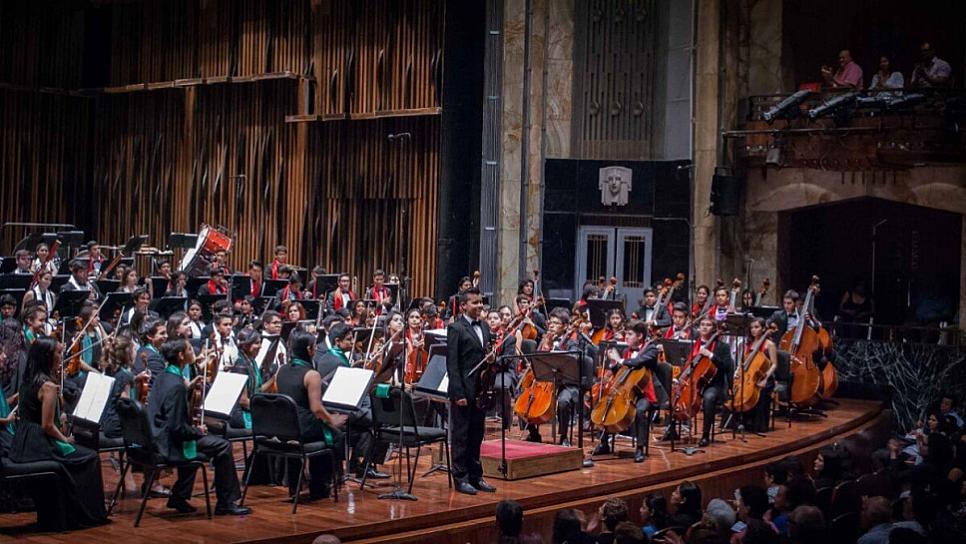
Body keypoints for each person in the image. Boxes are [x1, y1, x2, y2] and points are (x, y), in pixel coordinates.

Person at [10, 337, 107, 530]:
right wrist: (66, 439)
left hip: (23, 441)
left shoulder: (28, 380)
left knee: (83, 455)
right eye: (58, 353)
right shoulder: (48, 386)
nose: (61, 357)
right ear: (47, 357)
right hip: (39, 443)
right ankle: (85, 514)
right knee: (90, 457)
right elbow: (47, 426)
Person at [144, 339, 249, 515]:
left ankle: (179, 497)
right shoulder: (176, 386)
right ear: (180, 356)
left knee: (205, 445)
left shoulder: (164, 376)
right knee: (223, 446)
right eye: (190, 349)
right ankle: (226, 503)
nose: (194, 351)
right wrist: (197, 431)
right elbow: (177, 429)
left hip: (155, 437)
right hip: (168, 443)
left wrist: (189, 387)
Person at [275, 329, 348, 499]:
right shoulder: (311, 375)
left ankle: (295, 486)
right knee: (336, 435)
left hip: (284, 427)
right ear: (309, 350)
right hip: (303, 427)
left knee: (323, 429)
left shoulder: (281, 370)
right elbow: (316, 408)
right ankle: (320, 485)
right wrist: (332, 420)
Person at [446, 287, 497, 495]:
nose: (479, 306)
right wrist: (458, 394)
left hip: (480, 391)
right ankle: (460, 478)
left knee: (477, 435)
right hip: (463, 391)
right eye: (475, 303)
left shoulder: (484, 327)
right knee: (461, 436)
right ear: (464, 305)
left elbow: (486, 357)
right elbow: (453, 364)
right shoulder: (456, 329)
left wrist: (492, 358)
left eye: (480, 302)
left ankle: (476, 476)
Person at [596, 319, 662, 462]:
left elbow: (637, 363)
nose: (626, 337)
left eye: (630, 334)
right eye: (625, 334)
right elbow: (620, 373)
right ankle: (603, 444)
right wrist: (613, 363)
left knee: (640, 411)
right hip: (626, 391)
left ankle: (640, 448)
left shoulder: (651, 349)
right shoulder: (626, 351)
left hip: (645, 393)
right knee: (605, 404)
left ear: (640, 336)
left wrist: (619, 360)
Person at [689, 316, 733, 447]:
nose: (704, 327)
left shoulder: (722, 347)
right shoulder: (693, 344)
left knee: (708, 398)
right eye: (702, 324)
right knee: (675, 393)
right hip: (694, 381)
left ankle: (705, 435)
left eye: (708, 325)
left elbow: (726, 367)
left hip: (714, 384)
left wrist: (711, 355)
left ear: (714, 329)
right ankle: (673, 430)